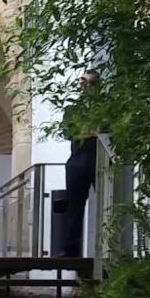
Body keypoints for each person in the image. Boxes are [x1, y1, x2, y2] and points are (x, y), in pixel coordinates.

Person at [57, 70, 100, 257]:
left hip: (100, 163)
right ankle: (70, 250)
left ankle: (109, 249)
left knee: (108, 206)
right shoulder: (73, 109)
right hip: (77, 163)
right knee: (74, 208)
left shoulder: (106, 109)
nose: (84, 86)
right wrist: (91, 133)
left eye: (89, 83)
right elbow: (68, 131)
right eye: (82, 82)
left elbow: (109, 133)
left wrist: (87, 132)